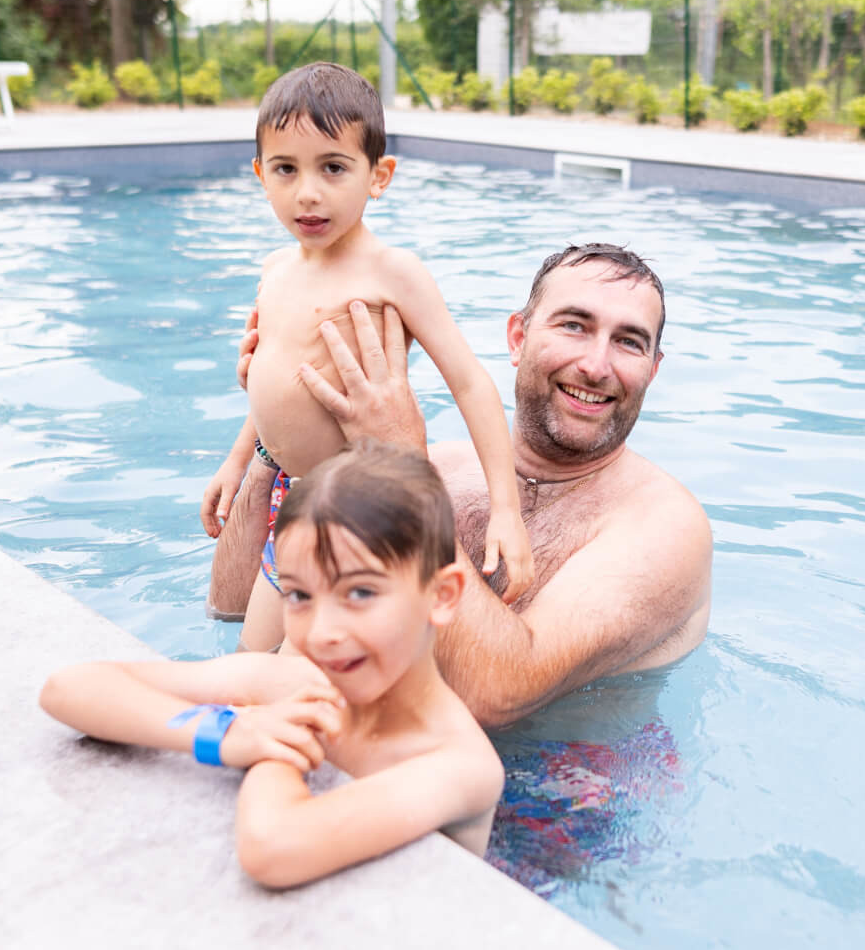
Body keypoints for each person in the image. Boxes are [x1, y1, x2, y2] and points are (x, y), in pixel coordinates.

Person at [213, 243, 712, 730]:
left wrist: (405, 470)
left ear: (653, 368)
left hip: (557, 796)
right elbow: (230, 611)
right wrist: (278, 439)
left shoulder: (664, 526)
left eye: (628, 341)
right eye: (573, 326)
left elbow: (497, 694)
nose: (597, 366)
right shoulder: (440, 468)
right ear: (517, 338)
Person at [42, 442, 506, 889]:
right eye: (300, 595)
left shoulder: (459, 764)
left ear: (442, 596)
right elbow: (71, 688)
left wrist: (276, 750)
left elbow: (272, 847)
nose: (323, 632)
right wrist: (227, 733)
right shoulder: (290, 684)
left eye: (360, 593)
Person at [200, 62, 533, 654]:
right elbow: (277, 379)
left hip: (357, 511)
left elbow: (472, 384)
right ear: (260, 175)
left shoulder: (392, 272)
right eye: (286, 169)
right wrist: (234, 461)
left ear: (378, 176)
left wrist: (506, 511)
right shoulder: (276, 270)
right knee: (249, 660)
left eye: (333, 167)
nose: (308, 191)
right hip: (292, 501)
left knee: (307, 676)